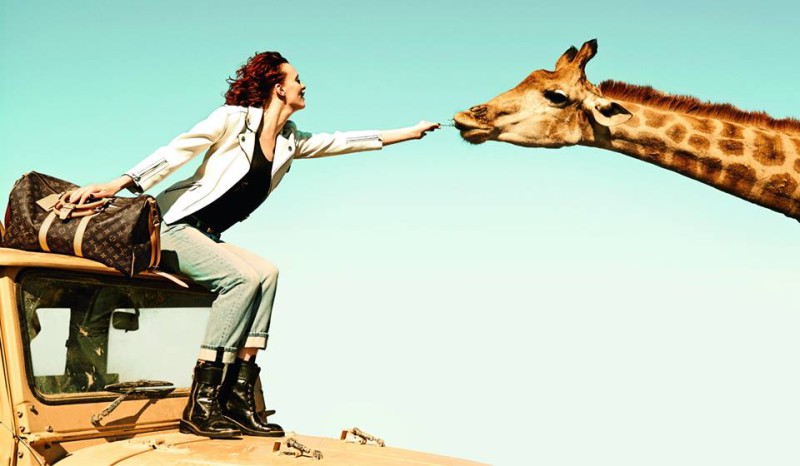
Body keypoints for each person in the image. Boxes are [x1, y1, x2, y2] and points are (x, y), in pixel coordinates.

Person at [67, 51, 440, 439]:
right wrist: (120, 183)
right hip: (171, 225)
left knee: (267, 273)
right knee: (240, 280)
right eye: (297, 79)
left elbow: (343, 141)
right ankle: (202, 402)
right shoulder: (232, 119)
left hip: (206, 234)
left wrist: (410, 132)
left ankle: (238, 396)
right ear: (278, 87)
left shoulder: (289, 141)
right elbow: (176, 151)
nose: (303, 85)